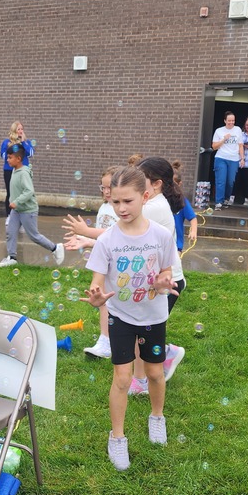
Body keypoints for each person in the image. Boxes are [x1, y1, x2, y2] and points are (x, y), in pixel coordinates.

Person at [82, 166, 179, 471]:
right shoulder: (107, 240)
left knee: (154, 374)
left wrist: (164, 282)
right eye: (115, 202)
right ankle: (118, 438)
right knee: (122, 379)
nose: (121, 208)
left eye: (128, 201)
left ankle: (157, 417)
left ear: (145, 196)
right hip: (121, 317)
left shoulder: (161, 236)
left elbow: (166, 271)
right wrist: (97, 296)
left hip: (153, 316)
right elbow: (97, 281)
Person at [128, 156, 187, 395]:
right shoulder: (154, 203)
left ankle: (163, 357)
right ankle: (142, 377)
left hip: (167, 282)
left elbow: (125, 231)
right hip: (160, 280)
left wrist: (88, 233)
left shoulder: (155, 207)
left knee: (141, 333)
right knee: (139, 331)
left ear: (157, 183)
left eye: (142, 181)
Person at [62, 165, 123, 358]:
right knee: (104, 300)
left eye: (109, 187)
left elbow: (118, 236)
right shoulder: (105, 207)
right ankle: (105, 341)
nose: (105, 191)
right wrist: (88, 242)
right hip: (106, 263)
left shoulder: (121, 210)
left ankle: (115, 340)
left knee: (117, 304)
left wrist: (87, 235)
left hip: (120, 265)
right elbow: (104, 239)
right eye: (102, 188)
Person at [0, 142, 65, 267]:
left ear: (19, 159)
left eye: (10, 157)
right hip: (17, 210)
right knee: (11, 232)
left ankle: (55, 248)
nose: (7, 159)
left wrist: (16, 202)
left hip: (28, 210)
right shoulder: (14, 170)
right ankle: (12, 257)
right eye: (8, 157)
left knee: (34, 236)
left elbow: (29, 191)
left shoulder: (23, 173)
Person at [0, 121, 34, 223]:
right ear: (14, 130)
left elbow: (30, 154)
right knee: (11, 193)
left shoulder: (26, 142)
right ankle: (10, 215)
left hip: (23, 171)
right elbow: (3, 156)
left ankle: (22, 218)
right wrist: (13, 147)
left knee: (23, 193)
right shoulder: (6, 142)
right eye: (18, 129)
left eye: (22, 129)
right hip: (9, 170)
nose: (20, 131)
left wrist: (23, 142)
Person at [211, 111, 244, 209]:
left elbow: (240, 145)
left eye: (233, 120)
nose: (231, 122)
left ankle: (226, 198)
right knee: (221, 180)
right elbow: (214, 147)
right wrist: (223, 140)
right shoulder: (219, 131)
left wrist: (242, 158)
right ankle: (218, 202)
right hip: (221, 157)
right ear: (225, 120)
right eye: (229, 120)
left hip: (234, 159)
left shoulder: (238, 130)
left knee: (230, 181)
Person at [172, 162, 199, 253]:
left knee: (174, 267)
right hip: (162, 243)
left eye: (174, 184)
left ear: (179, 184)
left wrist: (193, 231)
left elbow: (193, 218)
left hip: (176, 244)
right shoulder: (161, 199)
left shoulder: (182, 201)